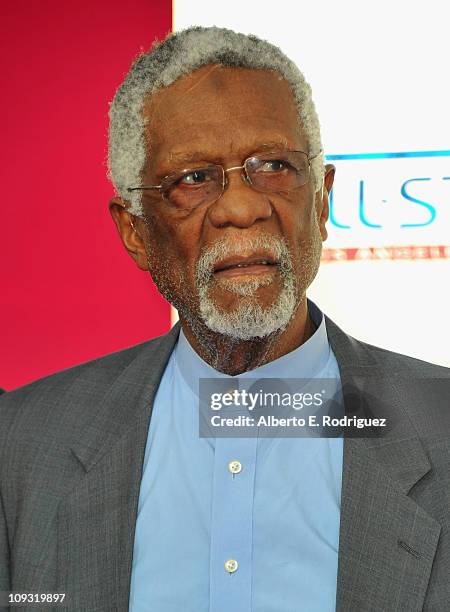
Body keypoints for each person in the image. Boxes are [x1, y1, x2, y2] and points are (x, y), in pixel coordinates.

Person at [1, 26, 449, 612]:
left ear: (322, 201)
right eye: (192, 178)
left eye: (273, 166)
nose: (242, 207)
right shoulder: (21, 444)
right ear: (134, 230)